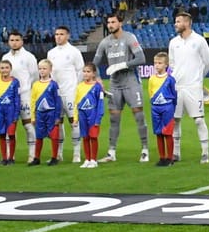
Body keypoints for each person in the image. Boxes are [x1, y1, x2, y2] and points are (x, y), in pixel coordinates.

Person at [92, 13, 150, 163]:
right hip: (114, 85)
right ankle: (111, 152)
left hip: (130, 81)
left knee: (139, 116)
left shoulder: (129, 38)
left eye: (113, 22)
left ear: (120, 23)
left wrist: (122, 65)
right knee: (114, 119)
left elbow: (141, 58)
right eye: (108, 22)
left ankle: (144, 149)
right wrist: (97, 78)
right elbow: (94, 64)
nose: (110, 25)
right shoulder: (105, 42)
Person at [166, 13, 209, 164]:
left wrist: (199, 79)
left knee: (199, 120)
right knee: (175, 120)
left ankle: (205, 153)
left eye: (178, 21)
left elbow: (208, 62)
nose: (175, 24)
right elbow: (172, 65)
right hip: (177, 87)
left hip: (193, 87)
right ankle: (176, 153)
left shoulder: (199, 40)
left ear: (187, 23)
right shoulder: (173, 42)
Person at [48, 25, 87, 164]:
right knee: (58, 123)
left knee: (74, 122)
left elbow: (80, 70)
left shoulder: (74, 52)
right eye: (57, 34)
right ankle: (59, 153)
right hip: (56, 94)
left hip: (70, 92)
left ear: (68, 36)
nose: (58, 36)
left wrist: (75, 88)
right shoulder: (51, 53)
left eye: (61, 34)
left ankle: (76, 153)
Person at [4, 31, 40, 163]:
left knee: (28, 125)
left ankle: (32, 155)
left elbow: (35, 76)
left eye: (17, 40)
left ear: (22, 41)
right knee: (10, 126)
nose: (14, 42)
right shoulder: (5, 57)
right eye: (12, 40)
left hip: (25, 95)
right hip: (9, 98)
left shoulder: (29, 57)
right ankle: (9, 155)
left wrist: (28, 91)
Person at [146, 52, 178, 167]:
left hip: (167, 107)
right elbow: (150, 92)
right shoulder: (152, 79)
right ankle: (162, 157)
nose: (157, 65)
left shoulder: (170, 79)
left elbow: (174, 95)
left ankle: (170, 158)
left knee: (167, 133)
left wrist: (172, 108)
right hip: (155, 108)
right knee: (158, 133)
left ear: (166, 65)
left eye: (160, 63)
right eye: (155, 63)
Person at [31, 59, 62, 165]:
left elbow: (58, 101)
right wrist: (33, 116)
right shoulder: (35, 85)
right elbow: (33, 101)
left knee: (54, 136)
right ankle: (37, 158)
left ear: (50, 70)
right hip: (40, 114)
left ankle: (54, 157)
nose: (42, 71)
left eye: (44, 68)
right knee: (39, 136)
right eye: (40, 69)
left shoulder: (54, 85)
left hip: (51, 114)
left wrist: (57, 116)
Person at [0, 59, 21, 166]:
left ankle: (11, 158)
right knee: (2, 134)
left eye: (6, 68)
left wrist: (16, 114)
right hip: (0, 111)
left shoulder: (15, 82)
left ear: (10, 69)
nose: (4, 70)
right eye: (2, 68)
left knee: (11, 134)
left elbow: (17, 99)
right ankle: (4, 158)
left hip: (11, 112)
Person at [75, 63, 106, 169]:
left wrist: (98, 118)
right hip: (82, 115)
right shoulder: (79, 86)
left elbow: (100, 104)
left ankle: (94, 159)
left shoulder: (97, 87)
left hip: (93, 115)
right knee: (85, 137)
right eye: (84, 71)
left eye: (88, 71)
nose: (86, 74)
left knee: (93, 137)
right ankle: (87, 159)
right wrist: (75, 118)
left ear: (93, 74)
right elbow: (76, 103)